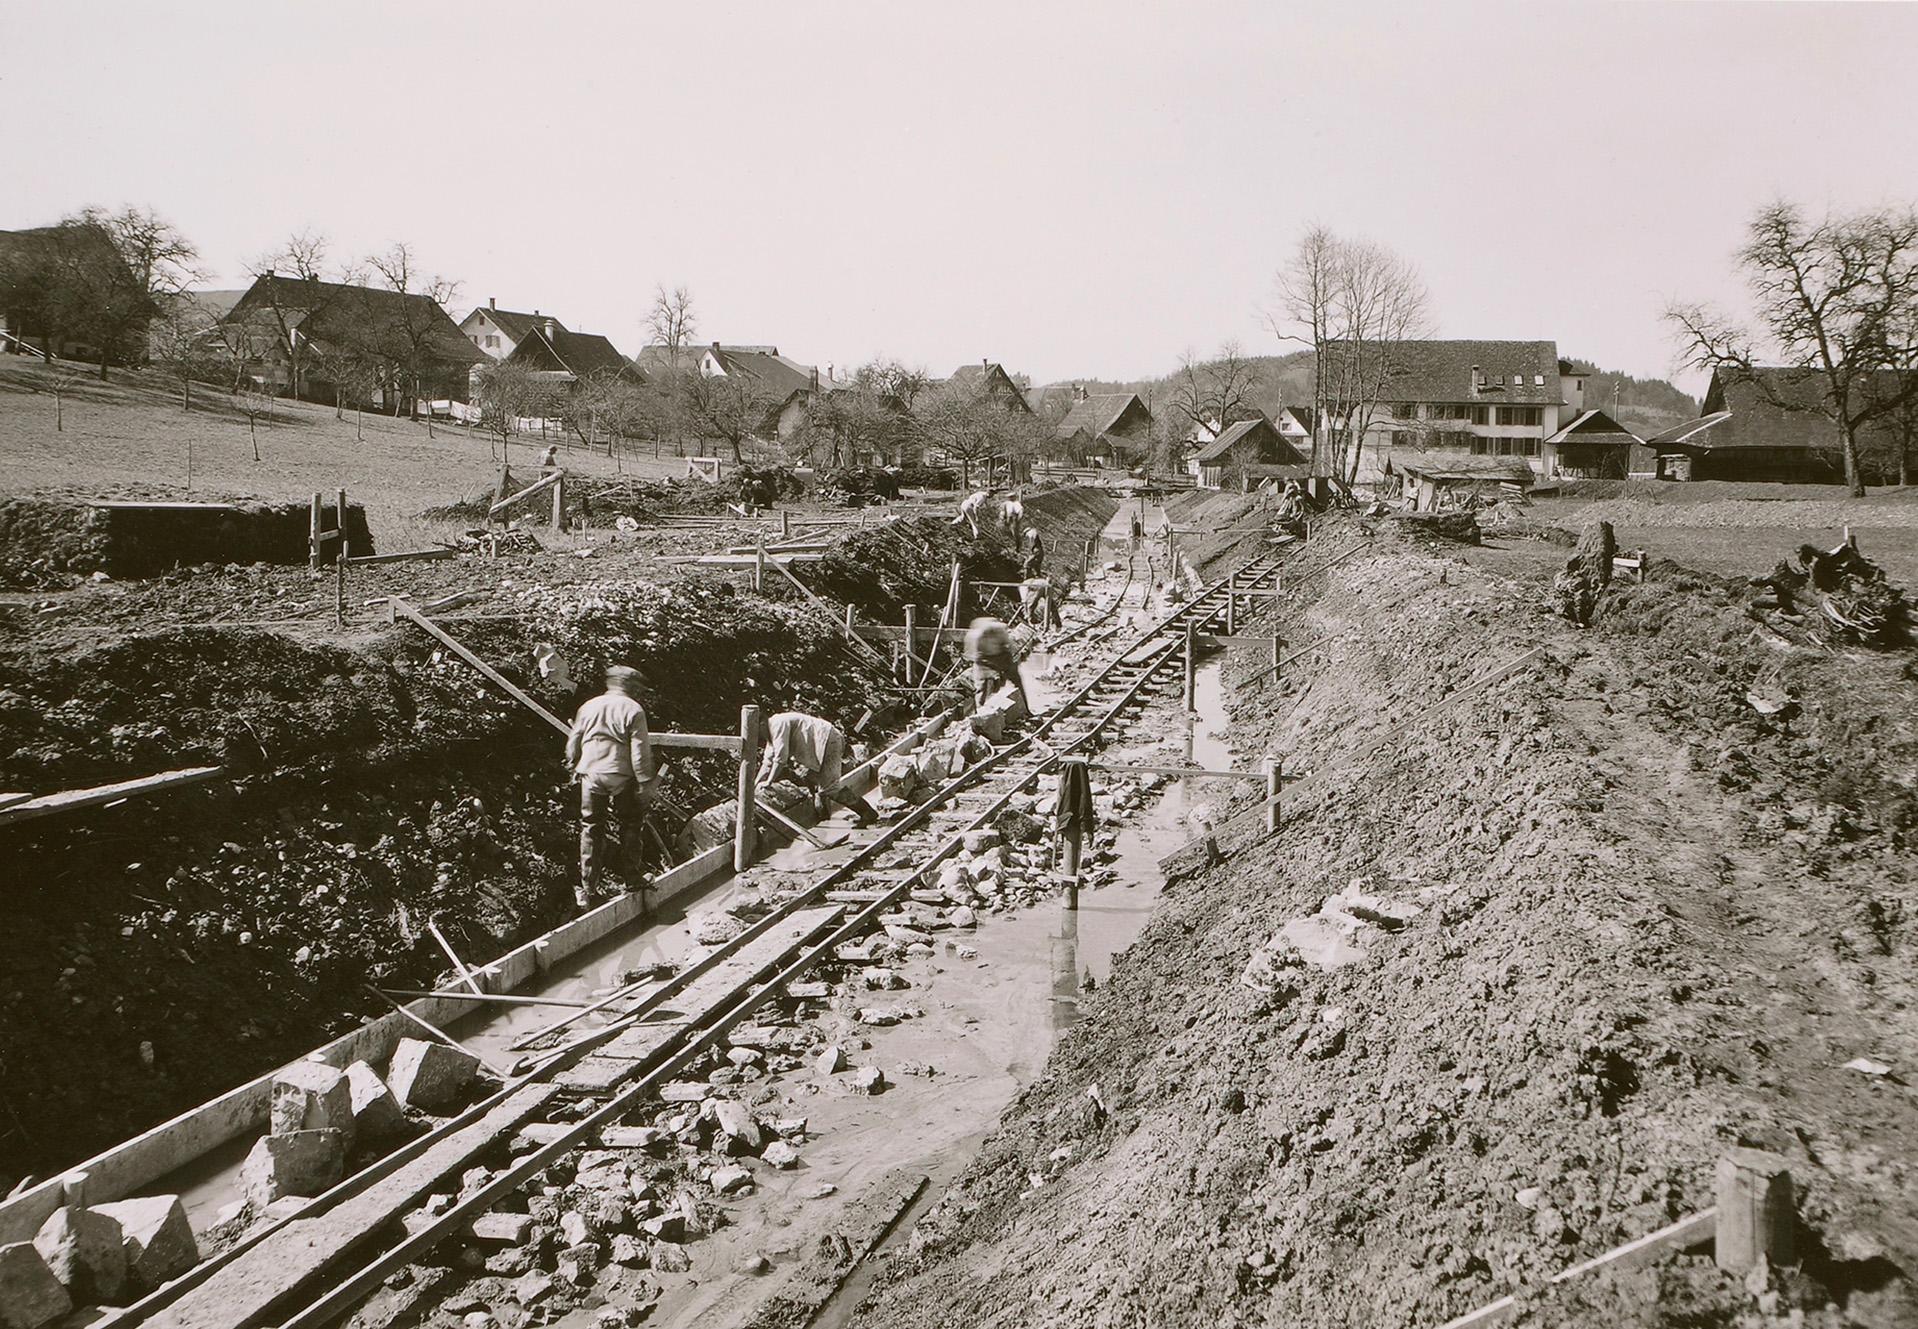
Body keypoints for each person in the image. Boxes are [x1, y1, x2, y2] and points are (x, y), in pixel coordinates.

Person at [564, 665, 654, 911]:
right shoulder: (634, 710)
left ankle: (589, 888)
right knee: (631, 823)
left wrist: (574, 766)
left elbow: (574, 741)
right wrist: (645, 783)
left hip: (590, 772)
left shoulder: (588, 706)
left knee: (591, 827)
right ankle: (632, 878)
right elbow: (639, 752)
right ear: (632, 688)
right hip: (619, 772)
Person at [757, 711, 877, 825]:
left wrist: (769, 781)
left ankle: (867, 812)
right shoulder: (771, 734)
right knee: (807, 777)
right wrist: (755, 784)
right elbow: (767, 763)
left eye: (756, 731)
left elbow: (780, 759)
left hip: (828, 741)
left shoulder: (777, 724)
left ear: (762, 723)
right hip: (819, 747)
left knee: (830, 787)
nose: (758, 736)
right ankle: (824, 817)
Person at [965, 617, 1028, 711]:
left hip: (1002, 656)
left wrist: (1009, 666)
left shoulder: (1000, 630)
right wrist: (989, 671)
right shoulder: (976, 636)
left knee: (1017, 681)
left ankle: (1026, 708)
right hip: (983, 659)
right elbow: (973, 655)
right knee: (982, 686)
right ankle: (980, 711)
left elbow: (1010, 646)